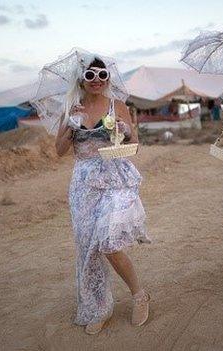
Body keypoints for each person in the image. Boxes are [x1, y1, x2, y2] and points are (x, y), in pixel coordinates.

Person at [54, 55, 151, 334]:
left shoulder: (117, 105)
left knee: (107, 240)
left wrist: (126, 129)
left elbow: (134, 144)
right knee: (89, 248)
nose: (97, 80)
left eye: (102, 74)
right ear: (81, 79)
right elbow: (59, 151)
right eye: (90, 75)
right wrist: (71, 127)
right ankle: (98, 308)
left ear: (108, 78)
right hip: (83, 184)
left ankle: (139, 294)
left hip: (114, 178)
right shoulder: (71, 109)